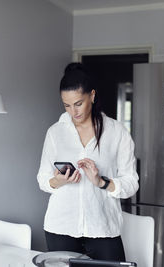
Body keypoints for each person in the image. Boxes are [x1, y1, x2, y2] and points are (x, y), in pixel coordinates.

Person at [37, 62, 139, 261]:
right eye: (66, 105)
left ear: (92, 96)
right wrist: (59, 181)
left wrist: (102, 182)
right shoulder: (55, 133)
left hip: (103, 228)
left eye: (78, 103)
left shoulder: (116, 132)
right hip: (60, 227)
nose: (73, 112)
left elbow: (131, 183)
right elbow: (43, 178)